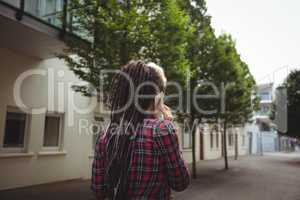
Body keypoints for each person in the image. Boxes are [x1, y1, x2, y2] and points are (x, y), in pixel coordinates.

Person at [91, 60, 190, 200]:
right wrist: (171, 127)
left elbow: (98, 191)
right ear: (158, 97)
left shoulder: (106, 135)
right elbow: (180, 183)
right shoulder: (163, 130)